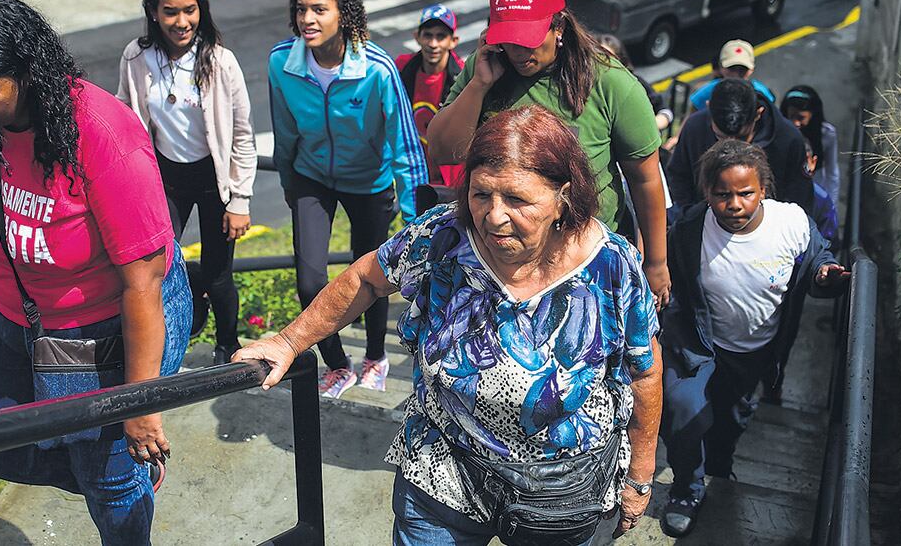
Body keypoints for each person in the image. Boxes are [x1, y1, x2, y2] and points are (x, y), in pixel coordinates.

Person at [236, 106, 663, 545]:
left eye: (517, 200)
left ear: (563, 197)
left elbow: (644, 371)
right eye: (481, 195)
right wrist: (289, 341)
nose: (494, 216)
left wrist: (640, 477)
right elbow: (366, 278)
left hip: (561, 489)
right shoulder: (443, 236)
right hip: (444, 465)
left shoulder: (611, 263)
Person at [0, 0, 192, 545]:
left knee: (109, 479)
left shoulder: (101, 133)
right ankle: (110, 470)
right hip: (11, 312)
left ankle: (119, 476)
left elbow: (142, 281)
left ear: (27, 76)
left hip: (104, 325)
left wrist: (140, 405)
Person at [427, 0, 671, 308]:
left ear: (558, 27)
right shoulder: (486, 69)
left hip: (585, 263)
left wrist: (656, 262)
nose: (518, 52)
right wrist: (479, 85)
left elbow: (645, 180)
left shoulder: (611, 84)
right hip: (500, 260)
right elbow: (441, 151)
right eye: (507, 41)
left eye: (527, 40)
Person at [658, 140, 849, 537]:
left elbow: (818, 258)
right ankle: (686, 490)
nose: (735, 204)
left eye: (746, 193)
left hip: (754, 353)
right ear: (707, 193)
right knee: (684, 412)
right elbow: (662, 266)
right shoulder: (688, 228)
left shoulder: (792, 223)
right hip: (698, 345)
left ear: (763, 190)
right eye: (722, 194)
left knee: (729, 423)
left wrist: (825, 274)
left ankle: (717, 471)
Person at [268, 0, 427, 398]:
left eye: (320, 9)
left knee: (373, 274)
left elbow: (405, 147)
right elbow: (284, 134)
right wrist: (289, 185)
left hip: (369, 183)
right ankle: (336, 363)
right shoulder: (282, 63)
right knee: (308, 280)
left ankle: (376, 353)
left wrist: (418, 220)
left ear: (345, 15)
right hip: (310, 177)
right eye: (301, 8)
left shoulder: (377, 70)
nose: (308, 18)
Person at [117, 0, 257, 366]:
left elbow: (243, 135)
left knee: (217, 275)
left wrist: (239, 200)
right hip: (166, 184)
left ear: (201, 10)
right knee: (156, 270)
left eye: (190, 10)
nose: (182, 22)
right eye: (171, 12)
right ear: (154, 13)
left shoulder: (220, 61)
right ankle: (169, 346)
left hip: (214, 184)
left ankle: (227, 346)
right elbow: (126, 116)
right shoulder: (136, 57)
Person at [667, 78, 814, 217]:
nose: (732, 150)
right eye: (720, 138)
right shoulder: (694, 127)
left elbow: (799, 197)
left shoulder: (789, 139)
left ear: (758, 114)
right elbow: (678, 175)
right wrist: (691, 215)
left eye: (742, 138)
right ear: (708, 108)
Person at [394, 3, 465, 187]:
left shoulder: (463, 77)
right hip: (412, 169)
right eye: (428, 35)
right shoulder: (402, 67)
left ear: (453, 41)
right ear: (417, 37)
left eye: (441, 37)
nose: (433, 44)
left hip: (448, 176)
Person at [597, 33, 673, 133]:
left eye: (609, 60)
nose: (604, 65)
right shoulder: (586, 88)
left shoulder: (634, 84)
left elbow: (664, 111)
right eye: (599, 58)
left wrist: (648, 129)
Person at [780, 85, 840, 202]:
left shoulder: (827, 134)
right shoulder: (781, 132)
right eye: (791, 116)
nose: (795, 123)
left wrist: (831, 204)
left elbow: (832, 173)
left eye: (801, 117)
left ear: (812, 114)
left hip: (815, 192)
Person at [687, 40, 776, 112]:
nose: (736, 75)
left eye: (742, 69)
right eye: (731, 68)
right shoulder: (707, 92)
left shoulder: (762, 94)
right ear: (721, 67)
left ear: (751, 70)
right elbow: (688, 123)